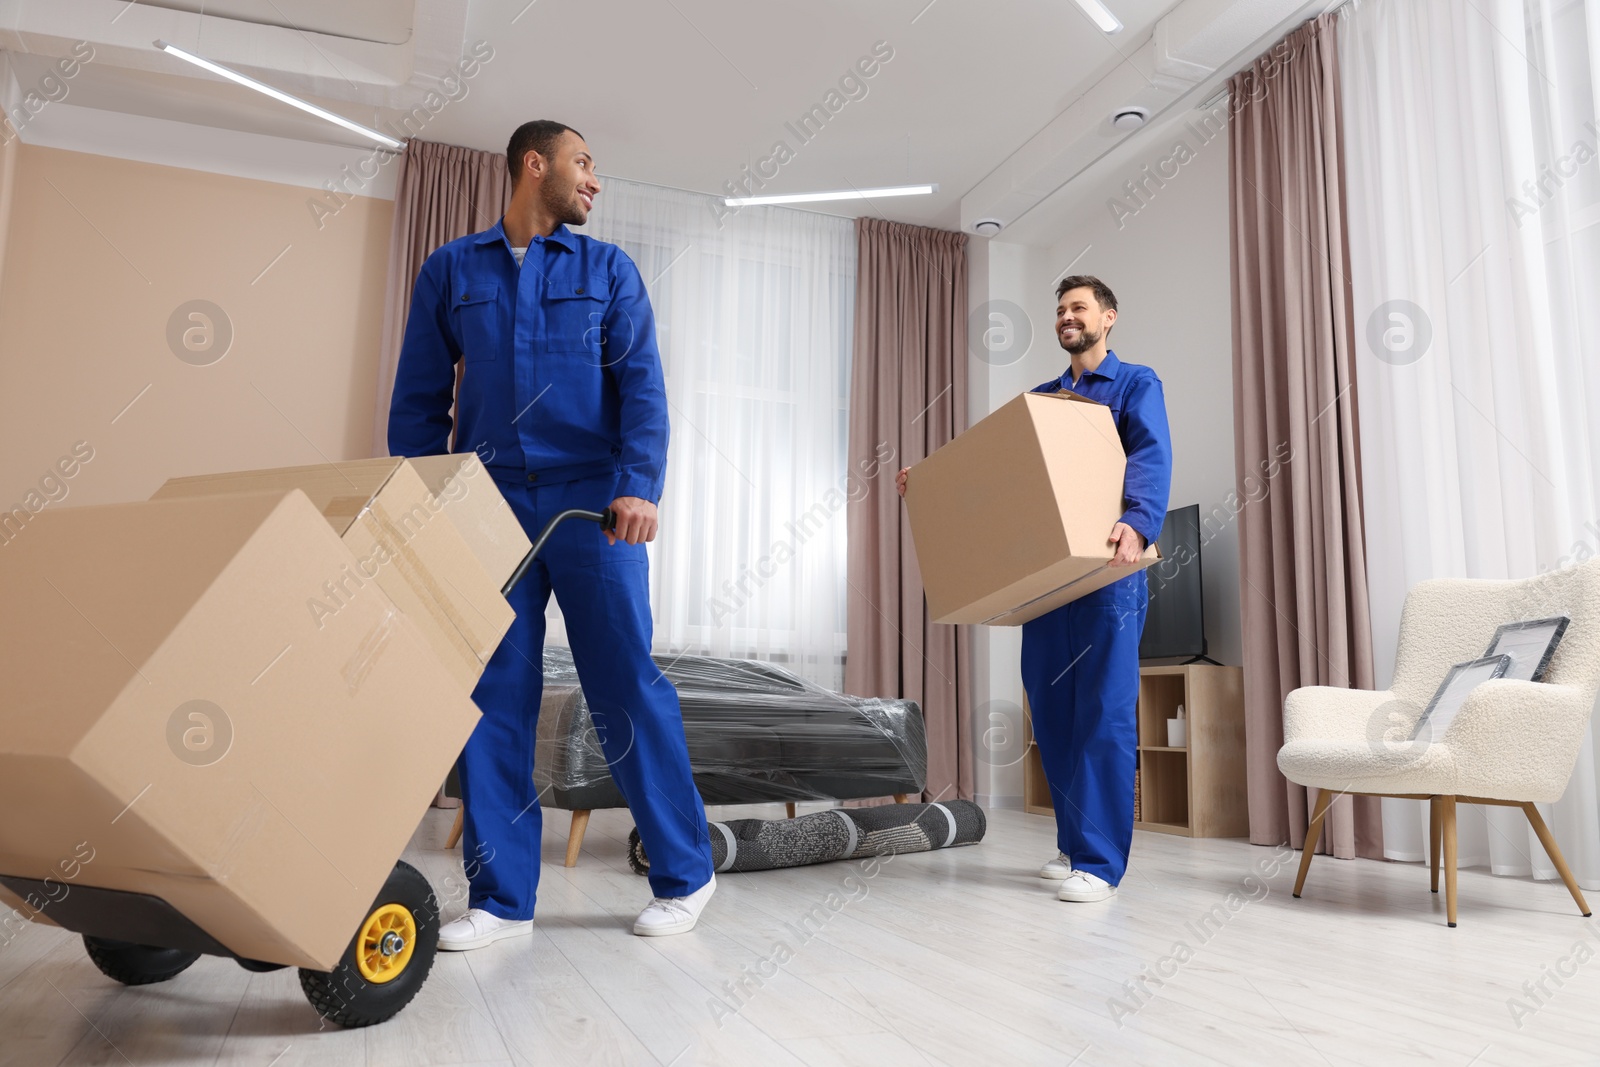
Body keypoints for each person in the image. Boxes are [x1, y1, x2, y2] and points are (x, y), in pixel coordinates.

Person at [388, 120, 715, 945]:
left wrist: (640, 485)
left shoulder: (608, 270)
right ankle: (501, 899)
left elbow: (643, 387)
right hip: (487, 503)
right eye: (584, 163)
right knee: (496, 692)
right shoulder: (451, 269)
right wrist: (429, 501)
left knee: (624, 684)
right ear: (536, 166)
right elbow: (420, 400)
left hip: (592, 505)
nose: (594, 181)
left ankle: (685, 872)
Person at [897, 275, 1170, 903]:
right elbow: (994, 473)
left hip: (1106, 574)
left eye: (1079, 308)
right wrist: (931, 480)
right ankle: (1074, 845)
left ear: (1109, 317)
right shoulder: (1043, 399)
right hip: (1049, 582)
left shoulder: (1135, 383)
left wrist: (1138, 522)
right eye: (1060, 311)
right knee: (1051, 717)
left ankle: (1099, 866)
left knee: (1102, 714)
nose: (1067, 317)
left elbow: (1151, 454)